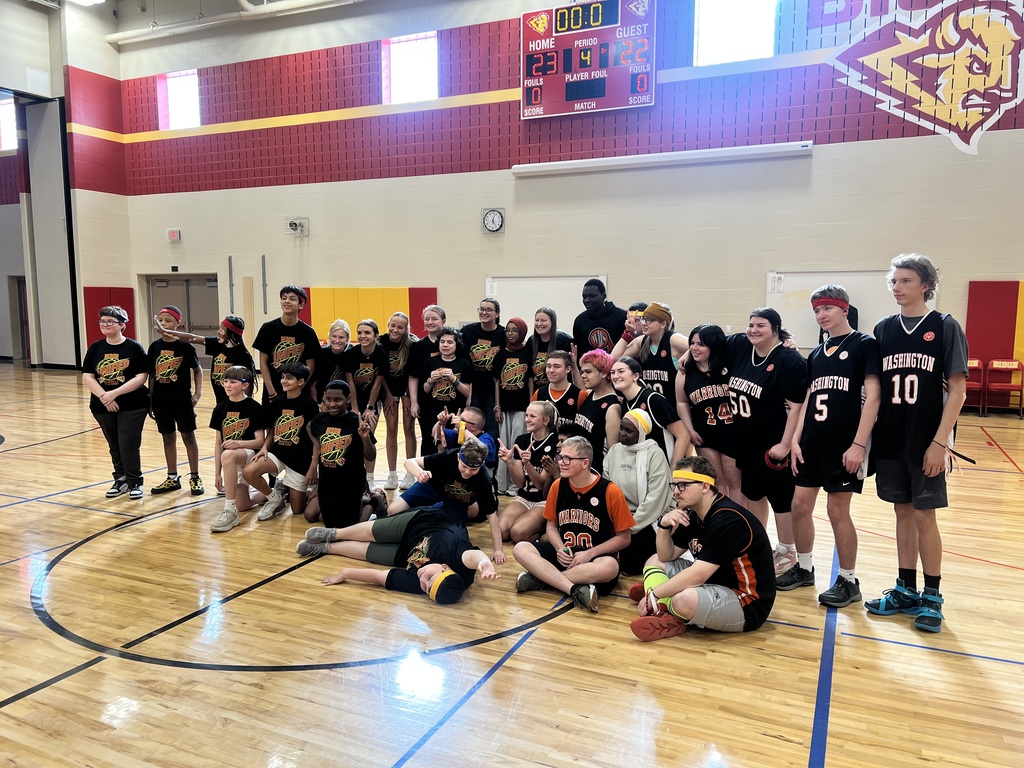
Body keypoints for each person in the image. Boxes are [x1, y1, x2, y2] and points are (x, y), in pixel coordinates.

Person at [866, 254, 967, 633]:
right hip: (891, 437)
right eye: (894, 281)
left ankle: (933, 596)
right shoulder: (883, 329)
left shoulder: (944, 326)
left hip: (926, 438)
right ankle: (905, 589)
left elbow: (958, 391)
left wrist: (940, 443)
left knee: (926, 514)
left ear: (925, 285)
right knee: (902, 512)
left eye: (905, 281)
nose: (897, 287)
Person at [781, 286, 881, 607]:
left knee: (837, 511)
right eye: (816, 310)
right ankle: (804, 568)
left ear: (844, 309)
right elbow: (809, 397)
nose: (821, 315)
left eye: (827, 308)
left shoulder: (864, 344)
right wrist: (795, 439)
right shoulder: (816, 354)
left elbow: (874, 397)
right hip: (812, 442)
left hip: (844, 445)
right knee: (799, 506)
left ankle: (849, 581)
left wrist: (858, 444)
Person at [628, 456, 776, 640]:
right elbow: (666, 555)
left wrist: (654, 593)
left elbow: (698, 574)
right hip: (715, 582)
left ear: (705, 486)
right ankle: (666, 609)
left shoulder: (728, 520)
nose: (676, 492)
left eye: (683, 485)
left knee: (684, 600)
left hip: (747, 602)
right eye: (674, 485)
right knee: (654, 561)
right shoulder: (694, 513)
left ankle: (664, 603)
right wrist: (663, 526)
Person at [512, 436, 635, 613]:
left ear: (585, 463)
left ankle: (543, 580)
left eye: (568, 459)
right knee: (520, 548)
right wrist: (560, 548)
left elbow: (624, 538)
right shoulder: (557, 486)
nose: (561, 462)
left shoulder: (610, 491)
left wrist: (589, 554)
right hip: (565, 554)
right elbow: (551, 526)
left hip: (593, 559)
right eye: (560, 457)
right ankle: (574, 588)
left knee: (610, 567)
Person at [725, 309, 807, 575]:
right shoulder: (741, 346)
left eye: (760, 325)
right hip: (747, 440)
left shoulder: (788, 359)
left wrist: (785, 444)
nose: (753, 330)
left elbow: (797, 407)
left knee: (781, 500)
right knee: (754, 495)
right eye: (750, 325)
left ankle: (788, 551)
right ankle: (760, 544)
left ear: (775, 329)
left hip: (774, 445)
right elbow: (704, 341)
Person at [296, 506, 500, 605]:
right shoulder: (460, 564)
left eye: (426, 588)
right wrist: (485, 565)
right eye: (430, 578)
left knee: (368, 553)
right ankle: (334, 533)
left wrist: (345, 573)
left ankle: (326, 547)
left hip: (411, 552)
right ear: (445, 568)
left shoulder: (418, 584)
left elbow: (378, 577)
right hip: (426, 522)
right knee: (373, 533)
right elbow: (475, 557)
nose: (423, 579)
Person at [388, 435, 505, 564]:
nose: (467, 472)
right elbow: (409, 462)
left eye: (473, 469)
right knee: (393, 510)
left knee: (444, 533)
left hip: (456, 502)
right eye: (464, 466)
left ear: (481, 465)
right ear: (458, 457)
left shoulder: (483, 480)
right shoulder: (448, 457)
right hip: (431, 487)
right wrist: (420, 473)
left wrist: (498, 550)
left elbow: (492, 517)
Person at [83, 306, 150, 500]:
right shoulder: (95, 348)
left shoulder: (134, 347)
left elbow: (141, 377)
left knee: (128, 443)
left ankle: (135, 481)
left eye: (110, 321)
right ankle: (120, 479)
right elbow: (88, 376)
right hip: (102, 406)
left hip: (132, 404)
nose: (105, 324)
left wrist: (114, 393)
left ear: (122, 325)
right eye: (102, 321)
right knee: (114, 444)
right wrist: (104, 397)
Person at [242, 362, 320, 522]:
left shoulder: (310, 405)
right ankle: (275, 498)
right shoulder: (277, 402)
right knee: (249, 472)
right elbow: (272, 430)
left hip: (300, 460)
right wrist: (264, 447)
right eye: (283, 377)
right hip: (278, 453)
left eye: (289, 378)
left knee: (297, 510)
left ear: (301, 382)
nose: (284, 381)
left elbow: (316, 440)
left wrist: (313, 467)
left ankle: (290, 487)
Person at [603, 409, 672, 575]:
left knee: (632, 562)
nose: (622, 433)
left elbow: (656, 499)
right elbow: (606, 488)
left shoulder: (654, 454)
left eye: (629, 431)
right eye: (621, 428)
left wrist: (629, 525)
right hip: (619, 516)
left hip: (648, 518)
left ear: (641, 432)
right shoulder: (614, 451)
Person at [677, 324, 741, 499]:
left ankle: (737, 516)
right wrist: (690, 431)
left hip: (732, 432)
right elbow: (682, 402)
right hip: (704, 433)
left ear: (713, 345)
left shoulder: (730, 365)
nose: (694, 348)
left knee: (735, 483)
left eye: (701, 344)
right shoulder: (685, 371)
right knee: (716, 481)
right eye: (692, 343)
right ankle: (721, 515)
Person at [303, 379, 377, 529]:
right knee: (328, 524)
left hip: (351, 483)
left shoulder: (356, 422)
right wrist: (317, 445)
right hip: (327, 483)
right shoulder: (320, 420)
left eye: (337, 400)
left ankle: (372, 505)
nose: (332, 404)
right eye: (329, 399)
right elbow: (309, 428)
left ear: (348, 399)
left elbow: (371, 456)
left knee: (350, 528)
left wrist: (365, 438)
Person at [147, 305, 204, 496]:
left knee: (188, 436)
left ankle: (195, 477)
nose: (164, 323)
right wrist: (150, 400)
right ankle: (172, 477)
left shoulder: (185, 347)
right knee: (168, 437)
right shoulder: (154, 347)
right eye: (161, 320)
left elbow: (197, 371)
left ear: (177, 323)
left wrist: (197, 394)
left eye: (168, 320)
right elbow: (152, 375)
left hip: (182, 400)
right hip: (161, 401)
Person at [208, 366, 268, 532]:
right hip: (231, 460)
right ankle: (274, 491)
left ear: (245, 385)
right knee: (242, 505)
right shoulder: (220, 409)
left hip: (248, 455)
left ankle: (229, 511)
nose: (227, 385)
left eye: (233, 382)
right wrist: (217, 473)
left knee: (228, 455)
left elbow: (259, 442)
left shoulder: (254, 408)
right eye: (225, 381)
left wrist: (239, 444)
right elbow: (218, 443)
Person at [158, 314, 257, 405]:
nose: (218, 332)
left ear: (231, 333)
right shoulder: (217, 345)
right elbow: (192, 338)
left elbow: (248, 386)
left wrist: (246, 406)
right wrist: (166, 331)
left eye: (222, 330)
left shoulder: (243, 355)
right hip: (220, 403)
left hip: (235, 402)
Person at [496, 400, 559, 543]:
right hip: (524, 496)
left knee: (517, 533)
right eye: (526, 415)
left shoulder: (555, 443)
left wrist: (527, 464)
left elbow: (541, 486)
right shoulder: (522, 440)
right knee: (501, 531)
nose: (527, 420)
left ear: (546, 420)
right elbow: (519, 483)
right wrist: (509, 462)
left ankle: (544, 532)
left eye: (532, 416)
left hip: (543, 500)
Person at [610, 356, 689, 466]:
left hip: (662, 467)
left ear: (636, 376)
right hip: (641, 467)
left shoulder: (653, 399)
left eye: (621, 371)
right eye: (612, 372)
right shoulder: (625, 403)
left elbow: (684, 435)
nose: (615, 376)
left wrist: (673, 470)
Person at [253, 285, 319, 403]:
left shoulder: (308, 332)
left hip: (298, 393)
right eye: (284, 298)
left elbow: (310, 367)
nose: (287, 301)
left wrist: (297, 390)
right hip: (273, 392)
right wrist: (271, 392)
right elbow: (263, 363)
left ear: (301, 305)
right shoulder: (267, 328)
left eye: (292, 299)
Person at [344, 318, 388, 490]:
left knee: (368, 437)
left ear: (376, 336)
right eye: (360, 332)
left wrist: (370, 408)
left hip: (372, 400)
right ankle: (355, 475)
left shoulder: (381, 354)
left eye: (367, 332)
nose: (363, 336)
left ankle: (370, 478)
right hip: (354, 399)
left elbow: (377, 383)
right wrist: (354, 408)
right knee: (352, 438)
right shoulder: (351, 354)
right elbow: (350, 382)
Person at [493, 316, 532, 496]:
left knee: (517, 445)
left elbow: (530, 381)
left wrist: (531, 407)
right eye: (508, 330)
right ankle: (502, 484)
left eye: (514, 330)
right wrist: (498, 406)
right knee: (504, 445)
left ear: (522, 332)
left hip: (522, 406)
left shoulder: (527, 353)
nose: (510, 334)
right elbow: (497, 382)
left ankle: (516, 484)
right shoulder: (501, 354)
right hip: (505, 407)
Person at [379, 312, 418, 491]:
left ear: (406, 329)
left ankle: (410, 473)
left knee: (409, 429)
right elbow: (380, 373)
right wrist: (388, 394)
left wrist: (408, 395)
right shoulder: (381, 342)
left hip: (407, 391)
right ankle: (392, 474)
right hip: (388, 391)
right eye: (393, 325)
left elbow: (413, 373)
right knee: (391, 429)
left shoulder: (412, 344)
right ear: (388, 325)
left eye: (400, 327)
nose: (395, 330)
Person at [617, 302, 689, 397]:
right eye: (643, 319)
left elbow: (701, 347)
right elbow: (615, 359)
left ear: (663, 324)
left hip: (671, 403)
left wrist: (687, 355)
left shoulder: (673, 339)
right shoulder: (642, 341)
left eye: (649, 320)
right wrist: (628, 333)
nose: (643, 323)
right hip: (649, 403)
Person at [460, 297, 505, 439]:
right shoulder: (467, 331)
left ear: (497, 314)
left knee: (492, 427)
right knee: (471, 426)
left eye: (489, 310)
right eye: (482, 309)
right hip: (473, 386)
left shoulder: (503, 334)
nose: (484, 313)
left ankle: (490, 452)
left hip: (493, 388)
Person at [573, 348, 622, 473]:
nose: (583, 375)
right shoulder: (590, 393)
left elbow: (613, 452)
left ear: (604, 373)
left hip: (595, 471)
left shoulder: (612, 407)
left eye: (588, 372)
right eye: (582, 372)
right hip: (578, 465)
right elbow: (579, 386)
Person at [408, 304, 447, 456]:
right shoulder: (418, 346)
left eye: (434, 319)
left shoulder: (452, 342)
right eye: (427, 319)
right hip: (426, 400)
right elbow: (413, 377)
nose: (430, 322)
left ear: (443, 321)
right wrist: (414, 402)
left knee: (449, 437)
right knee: (428, 437)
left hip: (449, 399)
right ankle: (427, 468)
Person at [573, 278, 627, 356]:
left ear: (603, 296)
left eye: (592, 296)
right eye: (584, 297)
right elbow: (579, 352)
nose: (587, 300)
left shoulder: (621, 316)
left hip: (616, 362)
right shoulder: (580, 321)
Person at [526, 307, 573, 388]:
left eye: (543, 320)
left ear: (552, 322)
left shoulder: (564, 340)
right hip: (538, 391)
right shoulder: (531, 341)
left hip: (560, 389)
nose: (539, 324)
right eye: (537, 320)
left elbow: (572, 370)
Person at [532, 350, 581, 425]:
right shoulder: (539, 393)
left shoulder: (579, 394)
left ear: (568, 369)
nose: (551, 370)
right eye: (548, 366)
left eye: (556, 366)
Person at [313, 319, 351, 404]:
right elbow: (313, 385)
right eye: (334, 336)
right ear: (329, 336)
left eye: (341, 337)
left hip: (344, 402)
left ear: (348, 338)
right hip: (323, 400)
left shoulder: (351, 354)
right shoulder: (321, 354)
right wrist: (316, 405)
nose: (337, 341)